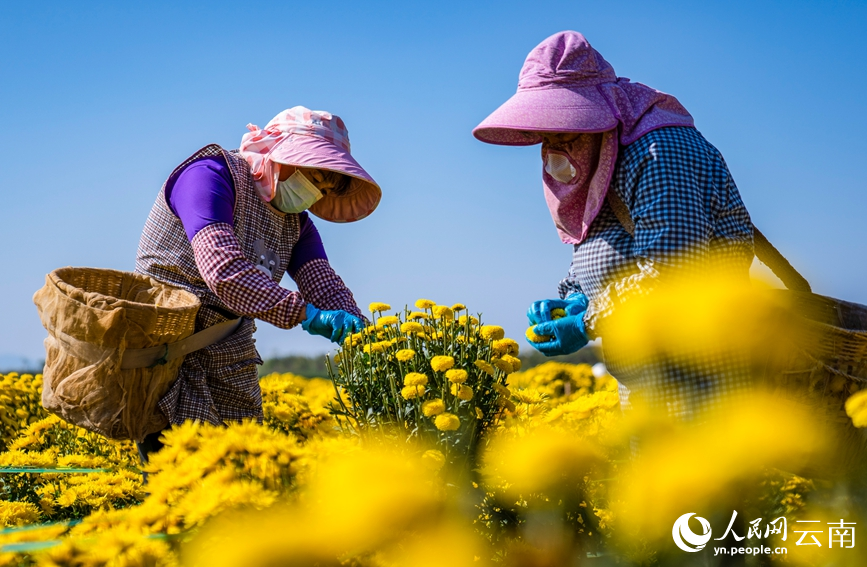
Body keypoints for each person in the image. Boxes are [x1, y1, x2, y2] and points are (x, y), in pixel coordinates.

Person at [473, 31, 754, 421]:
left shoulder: (659, 151)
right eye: (545, 133)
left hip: (704, 382)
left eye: (563, 130)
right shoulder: (605, 153)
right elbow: (603, 246)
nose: (553, 145)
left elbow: (674, 270)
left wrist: (587, 322)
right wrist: (575, 296)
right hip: (648, 389)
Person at [134, 106, 380, 461]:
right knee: (182, 475)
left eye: (323, 190)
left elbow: (324, 284)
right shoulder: (209, 176)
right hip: (167, 348)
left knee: (244, 469)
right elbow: (223, 271)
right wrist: (307, 316)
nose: (312, 194)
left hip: (228, 354)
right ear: (280, 155)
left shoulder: (295, 222)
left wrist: (366, 335)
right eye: (313, 178)